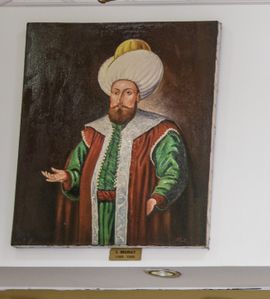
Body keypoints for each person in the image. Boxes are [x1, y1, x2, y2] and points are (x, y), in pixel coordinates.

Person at [41, 38, 190, 246]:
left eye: (128, 93)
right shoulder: (93, 132)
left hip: (136, 212)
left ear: (137, 97)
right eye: (116, 92)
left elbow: (174, 173)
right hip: (94, 211)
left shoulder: (160, 131)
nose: (120, 99)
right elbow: (78, 171)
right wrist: (68, 176)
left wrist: (155, 198)